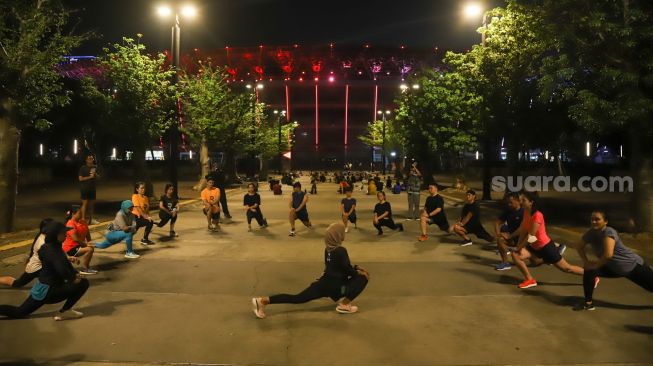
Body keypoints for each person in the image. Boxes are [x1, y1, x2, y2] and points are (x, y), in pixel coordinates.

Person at [251, 222, 369, 318]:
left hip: (323, 284)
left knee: (297, 298)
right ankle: (344, 304)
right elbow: (347, 269)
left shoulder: (328, 249)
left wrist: (355, 267)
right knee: (363, 277)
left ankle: (263, 301)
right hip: (338, 288)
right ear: (338, 235)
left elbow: (335, 266)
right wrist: (359, 272)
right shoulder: (341, 250)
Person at [0, 222, 90, 320]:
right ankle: (65, 311)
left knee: (20, 312)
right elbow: (63, 270)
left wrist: (74, 273)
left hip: (41, 288)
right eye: (63, 232)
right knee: (83, 283)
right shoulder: (55, 251)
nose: (66, 234)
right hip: (50, 291)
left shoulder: (47, 247)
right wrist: (75, 277)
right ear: (56, 235)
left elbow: (62, 265)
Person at [574, 210, 653, 311]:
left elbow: (608, 255)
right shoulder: (591, 233)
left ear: (605, 222)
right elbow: (579, 246)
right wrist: (586, 262)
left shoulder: (609, 232)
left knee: (650, 287)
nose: (593, 222)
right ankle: (588, 303)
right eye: (592, 219)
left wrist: (595, 265)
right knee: (589, 270)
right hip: (613, 268)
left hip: (632, 266)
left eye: (597, 219)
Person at [511, 191, 586, 289]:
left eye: (523, 200)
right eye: (521, 200)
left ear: (531, 202)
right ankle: (530, 280)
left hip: (546, 247)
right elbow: (523, 229)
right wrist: (518, 246)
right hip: (534, 247)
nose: (521, 202)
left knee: (567, 268)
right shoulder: (526, 212)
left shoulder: (538, 215)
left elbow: (531, 237)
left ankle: (591, 276)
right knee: (516, 255)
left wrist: (520, 247)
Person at [0, 219, 53, 287]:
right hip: (36, 268)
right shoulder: (42, 242)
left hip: (39, 266)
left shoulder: (43, 235)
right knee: (17, 283)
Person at [62, 205, 97, 275]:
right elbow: (75, 239)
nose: (81, 215)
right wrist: (86, 244)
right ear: (73, 214)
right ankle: (85, 269)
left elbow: (87, 233)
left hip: (79, 245)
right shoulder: (70, 224)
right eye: (79, 213)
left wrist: (90, 242)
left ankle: (86, 267)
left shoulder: (83, 221)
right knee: (89, 249)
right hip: (70, 248)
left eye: (81, 213)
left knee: (91, 247)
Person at [494, 192, 524, 271]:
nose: (509, 204)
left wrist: (509, 236)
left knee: (536, 261)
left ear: (518, 201)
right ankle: (505, 263)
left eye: (511, 202)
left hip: (524, 239)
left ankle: (550, 256)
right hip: (513, 237)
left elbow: (521, 229)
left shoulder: (524, 212)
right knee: (500, 239)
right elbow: (497, 223)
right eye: (508, 203)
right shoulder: (508, 210)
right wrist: (498, 234)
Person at [78, 153, 99, 224]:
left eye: (92, 159)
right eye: (89, 159)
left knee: (91, 205)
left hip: (92, 188)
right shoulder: (83, 168)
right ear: (86, 160)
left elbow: (98, 177)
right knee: (85, 203)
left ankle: (91, 219)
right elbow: (80, 179)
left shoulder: (94, 167)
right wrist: (90, 177)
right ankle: (83, 219)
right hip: (84, 188)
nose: (91, 160)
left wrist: (95, 175)